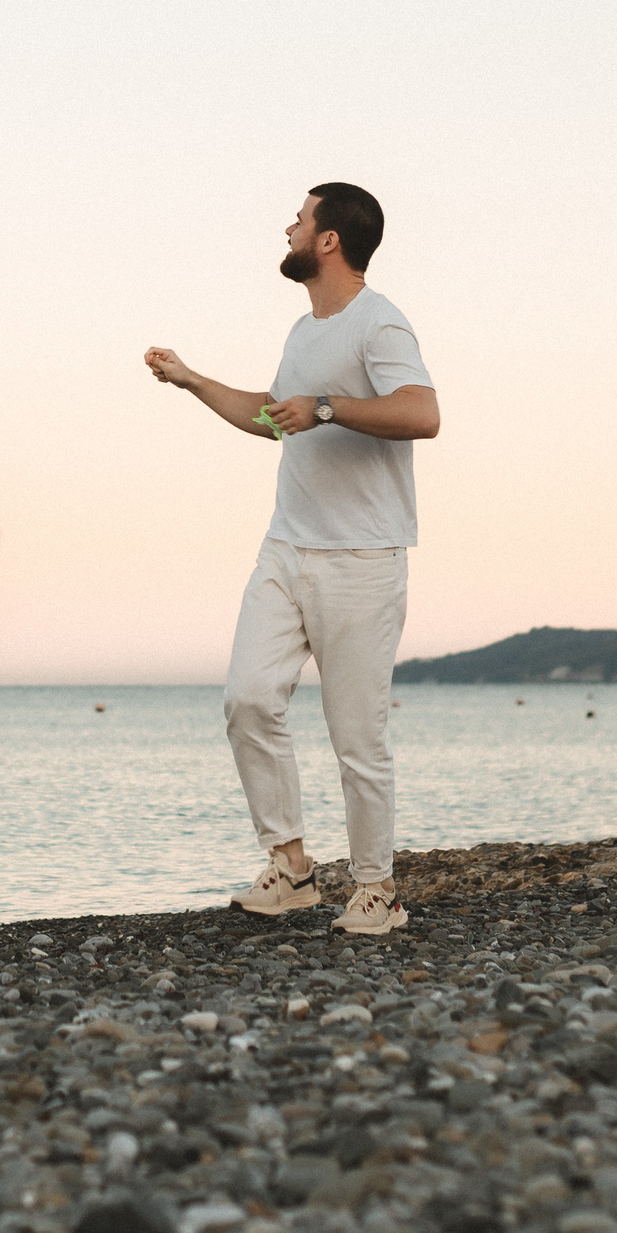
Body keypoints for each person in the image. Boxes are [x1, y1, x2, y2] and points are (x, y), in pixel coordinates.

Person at [144, 183, 439, 937]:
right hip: (287, 544)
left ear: (330, 238)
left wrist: (332, 408)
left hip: (362, 555)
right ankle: (293, 865)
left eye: (300, 218)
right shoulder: (303, 331)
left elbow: (423, 412)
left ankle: (378, 890)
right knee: (247, 697)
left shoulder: (381, 321)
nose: (288, 227)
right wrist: (193, 380)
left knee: (357, 737)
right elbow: (276, 417)